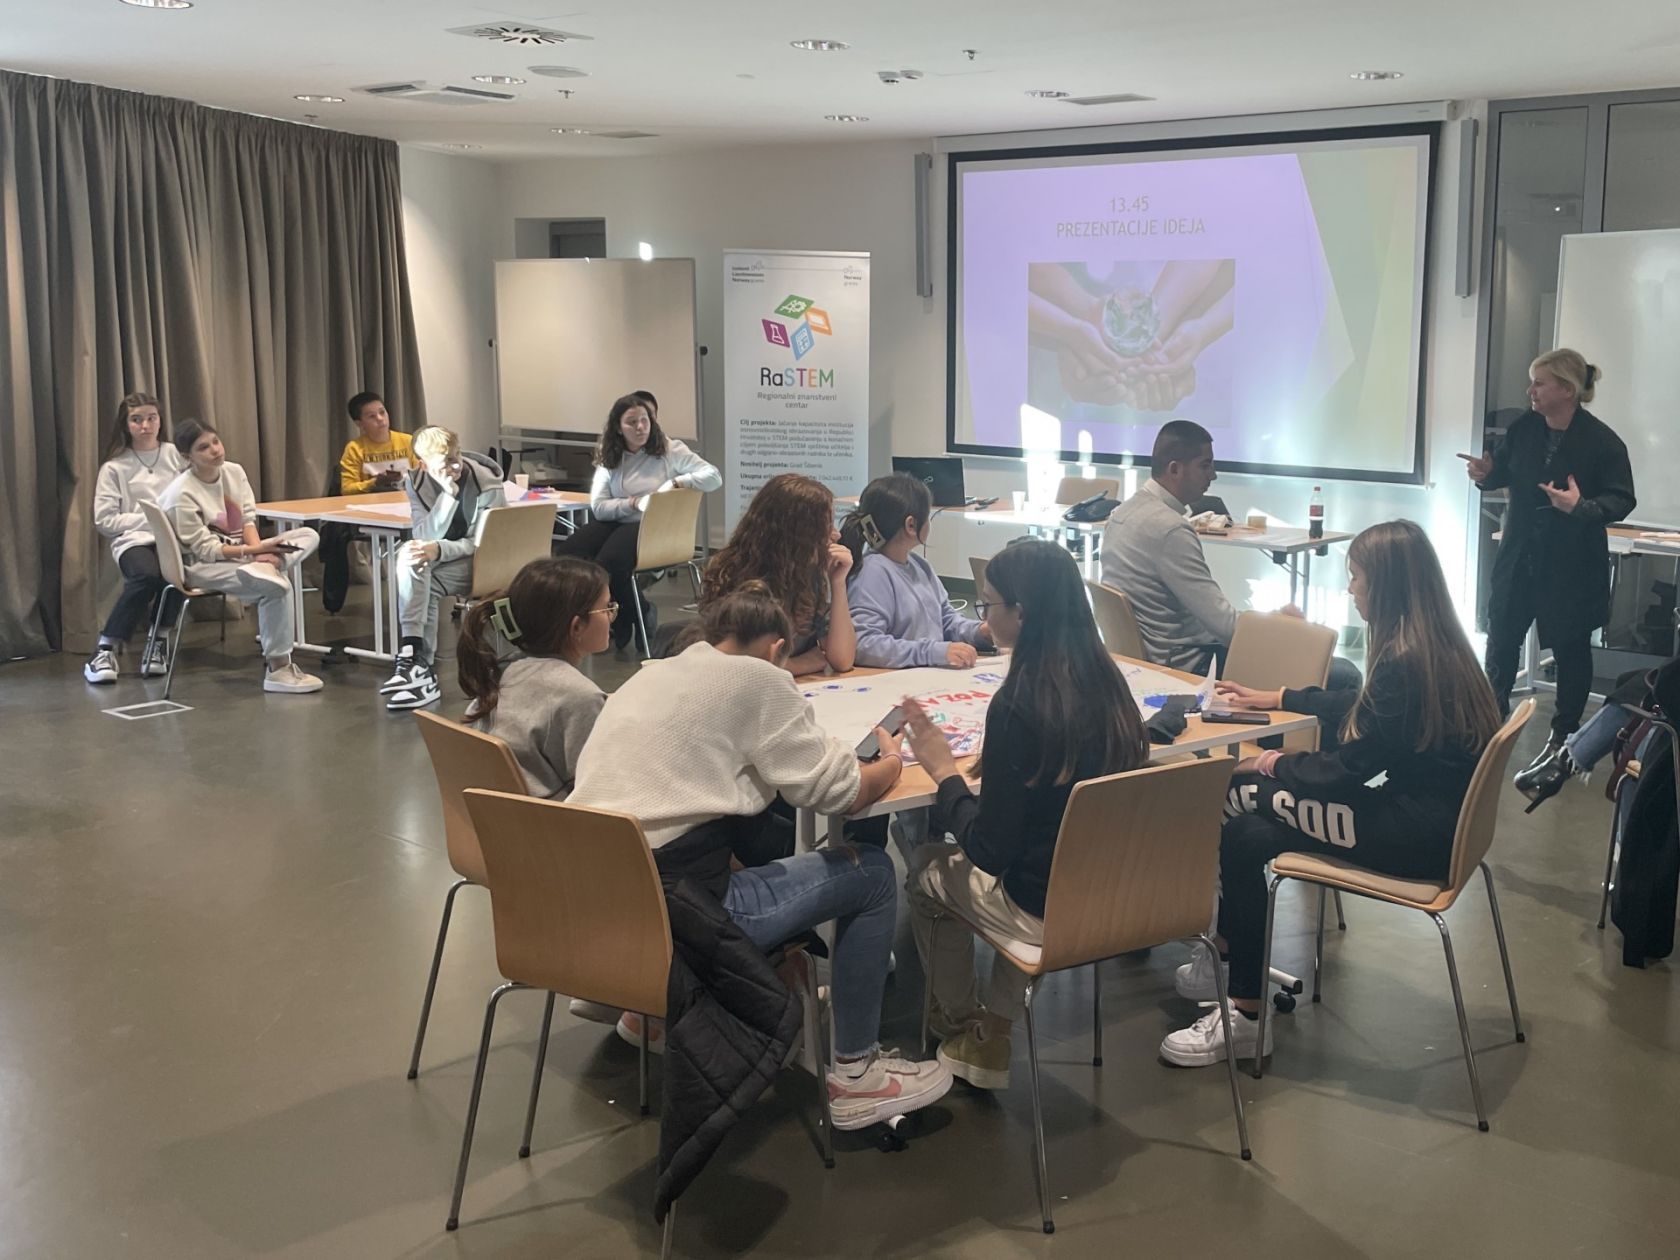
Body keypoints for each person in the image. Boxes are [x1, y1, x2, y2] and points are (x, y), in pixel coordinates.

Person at [567, 583, 952, 1130]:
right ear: (776, 649)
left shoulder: (652, 673)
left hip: (595, 908)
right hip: (682, 915)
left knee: (741, 849)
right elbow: (840, 793)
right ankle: (856, 1072)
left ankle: (647, 1012)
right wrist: (890, 759)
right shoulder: (758, 679)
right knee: (872, 872)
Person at [1160, 520, 1501, 1066]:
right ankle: (1228, 965)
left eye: (1356, 577)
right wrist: (1281, 696)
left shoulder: (1403, 662)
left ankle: (1243, 1006)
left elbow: (1347, 771)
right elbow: (1366, 712)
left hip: (1412, 837)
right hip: (1435, 826)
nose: (1350, 589)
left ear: (1383, 585)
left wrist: (1270, 761)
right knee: (1248, 833)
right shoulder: (1437, 646)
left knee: (1239, 794)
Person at [903, 540, 1151, 1088]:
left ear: (1021, 614)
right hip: (1117, 893)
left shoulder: (1020, 704)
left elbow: (991, 852)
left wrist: (945, 775)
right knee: (1035, 855)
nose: (984, 617)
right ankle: (994, 1027)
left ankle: (964, 1027)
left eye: (988, 604)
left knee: (925, 867)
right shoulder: (1110, 685)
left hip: (1044, 905)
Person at [1466, 348, 1635, 764]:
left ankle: (1565, 735)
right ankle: (1491, 719)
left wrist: (1582, 507)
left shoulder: (1603, 441)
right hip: (1519, 558)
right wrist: (1486, 475)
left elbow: (1622, 498)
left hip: (1570, 567)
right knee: (1501, 640)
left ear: (1567, 390)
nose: (1531, 391)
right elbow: (1503, 471)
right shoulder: (1524, 428)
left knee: (1570, 650)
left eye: (1539, 384)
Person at [1100, 421, 1358, 686]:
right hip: (1193, 665)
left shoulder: (1121, 514)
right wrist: (1279, 623)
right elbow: (1227, 629)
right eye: (1205, 465)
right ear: (1175, 469)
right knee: (1344, 675)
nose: (1213, 475)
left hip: (1144, 664)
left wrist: (1270, 619)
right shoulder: (1170, 530)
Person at [156, 420, 323, 694]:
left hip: (245, 555)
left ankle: (264, 569)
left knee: (308, 534)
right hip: (203, 565)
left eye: (215, 442)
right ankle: (278, 669)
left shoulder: (234, 471)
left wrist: (260, 554)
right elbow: (206, 550)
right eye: (203, 448)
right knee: (277, 588)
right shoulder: (181, 493)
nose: (215, 450)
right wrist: (254, 553)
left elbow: (247, 520)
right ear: (188, 457)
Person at [556, 393, 720, 650]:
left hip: (653, 525)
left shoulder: (670, 450)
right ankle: (626, 613)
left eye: (644, 420)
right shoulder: (610, 456)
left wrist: (678, 482)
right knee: (567, 554)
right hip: (621, 517)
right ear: (618, 428)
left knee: (609, 563)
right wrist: (632, 503)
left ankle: (624, 617)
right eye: (632, 422)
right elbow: (599, 507)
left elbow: (713, 477)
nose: (640, 427)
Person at [455, 556, 611, 800]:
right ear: (577, 627)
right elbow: (602, 788)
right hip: (550, 820)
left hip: (493, 815)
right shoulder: (580, 697)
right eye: (607, 608)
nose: (612, 615)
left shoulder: (502, 671)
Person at [381, 427, 503, 712]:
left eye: (456, 456)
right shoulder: (415, 483)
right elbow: (424, 534)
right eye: (445, 462)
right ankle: (419, 664)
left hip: (486, 561)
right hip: (447, 560)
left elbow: (482, 542)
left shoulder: (487, 484)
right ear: (424, 465)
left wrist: (439, 549)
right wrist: (448, 496)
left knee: (419, 568)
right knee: (412, 558)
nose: (455, 466)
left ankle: (416, 661)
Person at [701, 473, 857, 676]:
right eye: (825, 527)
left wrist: (838, 583)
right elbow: (746, 664)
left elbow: (842, 660)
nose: (836, 534)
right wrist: (803, 663)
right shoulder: (741, 580)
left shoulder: (810, 574)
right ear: (797, 533)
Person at [841, 473, 992, 668]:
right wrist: (931, 652)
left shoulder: (920, 565)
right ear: (911, 525)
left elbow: (946, 621)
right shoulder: (872, 573)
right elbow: (864, 644)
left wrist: (981, 632)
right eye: (927, 516)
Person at [87, 392, 188, 684]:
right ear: (126, 424)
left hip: (175, 537)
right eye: (137, 419)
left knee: (178, 574)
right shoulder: (114, 467)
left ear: (160, 421)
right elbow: (105, 521)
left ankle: (158, 641)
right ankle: (105, 648)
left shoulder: (176, 456)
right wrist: (151, 518)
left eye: (151, 418)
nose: (145, 425)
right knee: (146, 575)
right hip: (133, 539)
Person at [323, 391, 418, 614]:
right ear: (360, 424)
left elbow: (422, 475)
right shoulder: (355, 449)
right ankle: (333, 601)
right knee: (336, 536)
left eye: (382, 412)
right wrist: (374, 482)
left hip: (406, 509)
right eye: (372, 416)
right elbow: (347, 489)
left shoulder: (407, 441)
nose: (380, 419)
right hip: (369, 513)